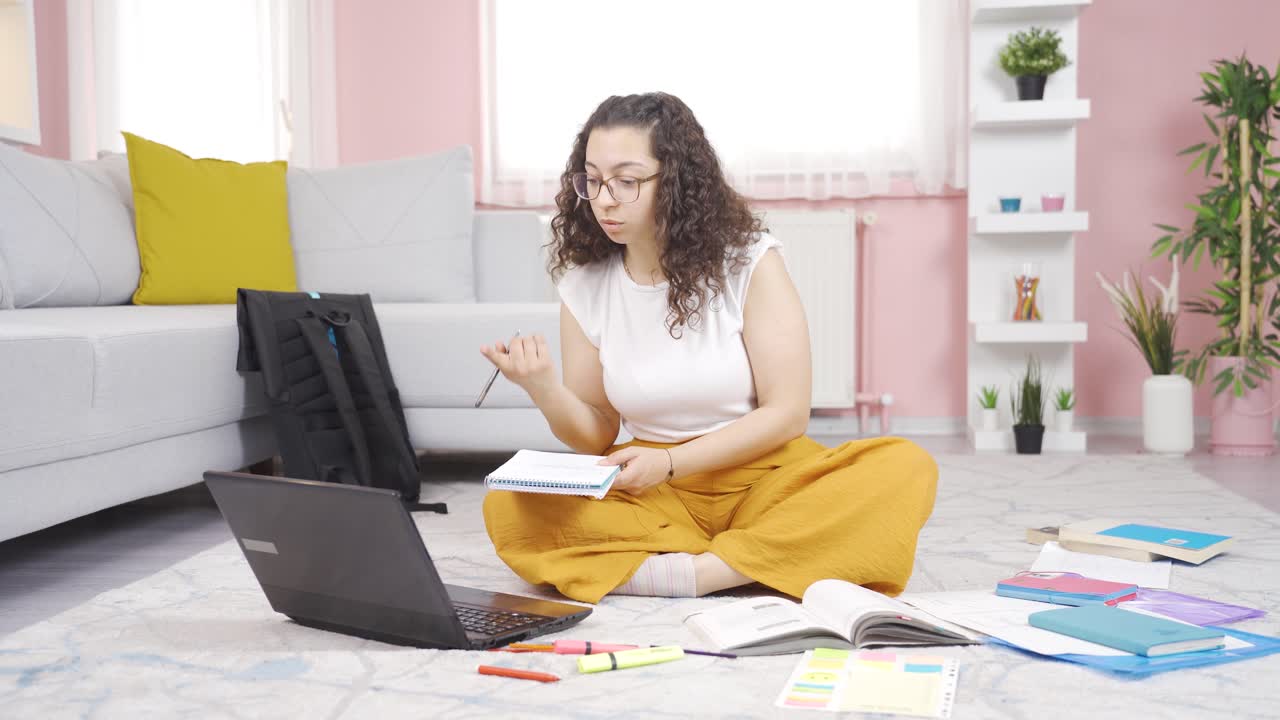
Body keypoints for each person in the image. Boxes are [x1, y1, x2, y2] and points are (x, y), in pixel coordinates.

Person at [479, 92, 937, 605]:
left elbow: (787, 414)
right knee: (510, 507)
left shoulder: (749, 262)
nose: (605, 199)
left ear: (674, 180)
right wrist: (543, 388)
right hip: (653, 490)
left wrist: (673, 461)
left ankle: (696, 573)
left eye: (627, 181)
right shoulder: (584, 285)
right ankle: (758, 561)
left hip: (767, 475)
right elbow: (597, 434)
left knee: (903, 466)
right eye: (592, 179)